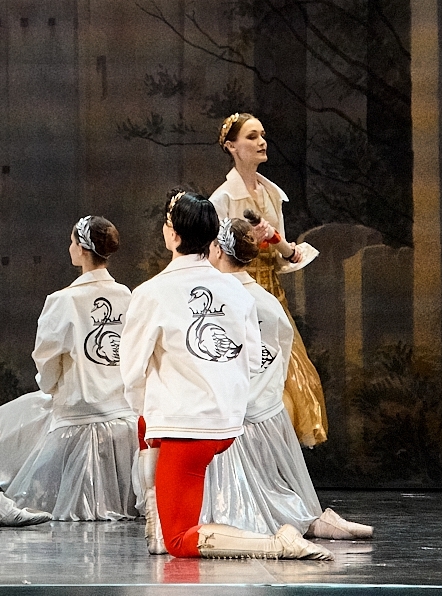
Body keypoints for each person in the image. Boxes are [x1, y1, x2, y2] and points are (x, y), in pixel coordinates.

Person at [120, 190, 328, 560]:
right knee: (147, 427)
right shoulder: (238, 290)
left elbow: (132, 370)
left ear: (173, 234)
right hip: (227, 424)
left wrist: (153, 404)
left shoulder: (151, 293)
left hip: (188, 429)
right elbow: (252, 360)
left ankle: (274, 544)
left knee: (179, 540)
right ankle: (157, 518)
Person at [201, 211, 371, 540]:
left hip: (226, 418)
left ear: (218, 250)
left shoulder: (212, 302)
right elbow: (280, 355)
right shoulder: (268, 303)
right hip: (266, 414)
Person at [0, 215, 140, 520]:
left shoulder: (64, 300)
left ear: (82, 249)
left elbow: (47, 359)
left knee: (22, 416)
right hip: (122, 411)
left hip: (80, 413)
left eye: (72, 241)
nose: (70, 247)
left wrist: (51, 387)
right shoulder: (127, 296)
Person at [209, 113, 326, 447]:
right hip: (236, 294)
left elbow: (286, 254)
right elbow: (215, 258)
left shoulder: (272, 194)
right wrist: (247, 243)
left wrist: (275, 240)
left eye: (262, 135)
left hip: (270, 293)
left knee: (284, 369)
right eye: (251, 137)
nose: (261, 142)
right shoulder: (222, 199)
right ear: (231, 146)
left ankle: (276, 450)